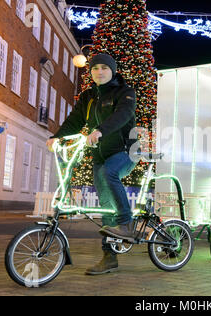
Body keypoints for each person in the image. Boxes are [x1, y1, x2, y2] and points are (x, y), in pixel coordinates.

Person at [46, 53, 137, 275]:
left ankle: (126, 223)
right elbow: (75, 121)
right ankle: (109, 257)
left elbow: (123, 115)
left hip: (127, 151)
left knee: (110, 172)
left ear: (112, 71)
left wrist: (99, 130)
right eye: (95, 68)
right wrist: (57, 137)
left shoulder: (125, 92)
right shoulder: (88, 96)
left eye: (104, 68)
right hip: (101, 155)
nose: (99, 72)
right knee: (106, 207)